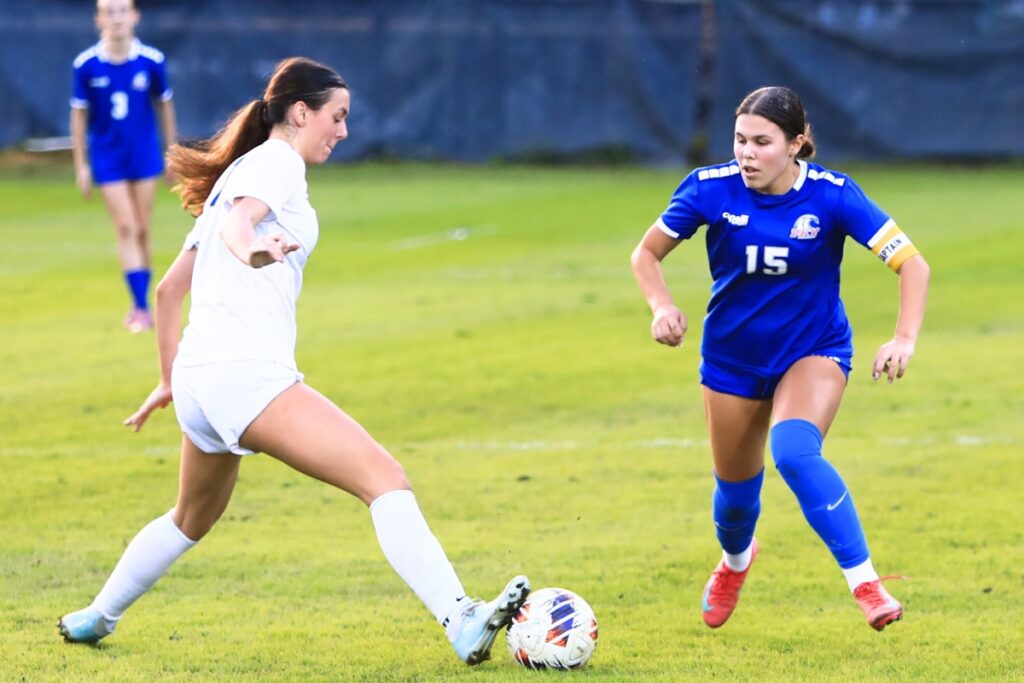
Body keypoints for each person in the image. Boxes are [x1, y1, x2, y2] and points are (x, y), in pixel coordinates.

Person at [58, 57, 529, 665]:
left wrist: (168, 377)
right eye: (337, 117)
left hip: (202, 379)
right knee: (384, 479)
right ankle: (460, 617)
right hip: (241, 373)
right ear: (300, 112)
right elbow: (238, 224)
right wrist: (254, 247)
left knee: (189, 519)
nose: (343, 130)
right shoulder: (273, 163)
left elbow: (168, 290)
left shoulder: (238, 172)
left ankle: (97, 615)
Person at [631, 86, 929, 632]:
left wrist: (903, 339)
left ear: (797, 143)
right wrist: (661, 307)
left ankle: (866, 584)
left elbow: (913, 265)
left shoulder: (834, 195)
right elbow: (645, 253)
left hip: (812, 350)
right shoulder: (708, 189)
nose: (747, 153)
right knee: (735, 502)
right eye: (740, 140)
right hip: (732, 360)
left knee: (794, 452)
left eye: (762, 142)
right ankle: (734, 564)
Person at [71, 0, 177, 333]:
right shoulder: (86, 65)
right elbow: (79, 116)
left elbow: (164, 106)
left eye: (122, 11)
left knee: (143, 228)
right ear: (98, 19)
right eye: (109, 12)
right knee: (127, 227)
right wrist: (82, 164)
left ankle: (148, 301)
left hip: (143, 155)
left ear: (134, 17)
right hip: (107, 157)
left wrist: (171, 151)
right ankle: (141, 308)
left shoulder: (151, 61)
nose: (116, 18)